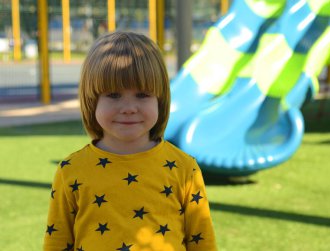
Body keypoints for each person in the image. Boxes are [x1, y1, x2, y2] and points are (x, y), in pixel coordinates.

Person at [44, 31, 217, 251]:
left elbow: (203, 243)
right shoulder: (70, 171)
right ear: (92, 101)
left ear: (160, 100)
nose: (128, 108)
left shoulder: (185, 168)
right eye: (114, 95)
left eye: (143, 95)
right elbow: (56, 243)